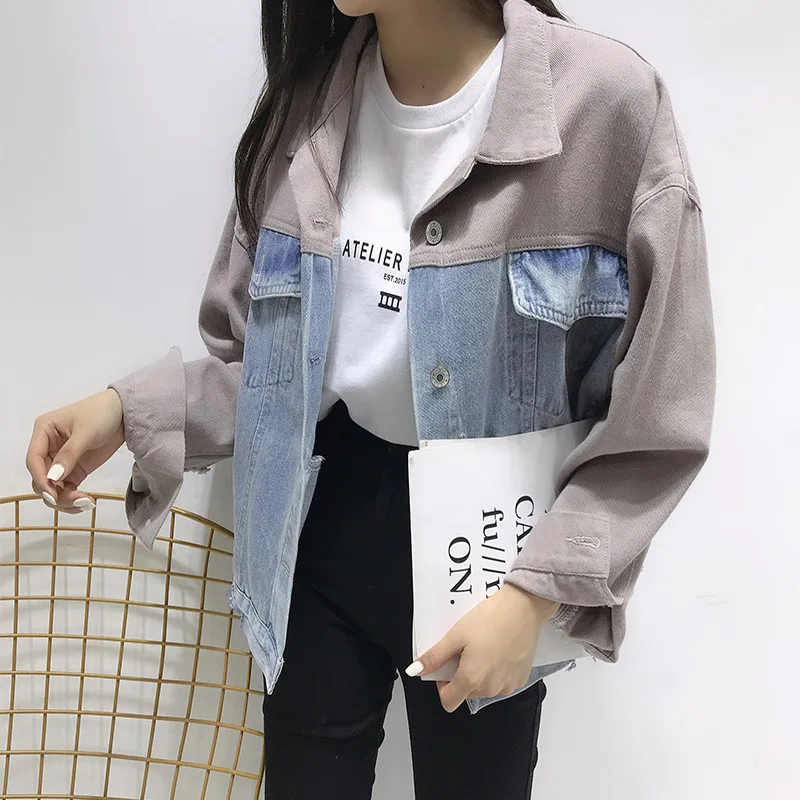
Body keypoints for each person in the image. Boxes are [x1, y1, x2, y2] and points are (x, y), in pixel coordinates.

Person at [24, 0, 717, 797]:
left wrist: (534, 594)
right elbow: (269, 378)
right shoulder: (305, 109)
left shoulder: (605, 103)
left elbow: (659, 413)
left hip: (490, 557)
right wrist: (129, 409)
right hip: (319, 524)